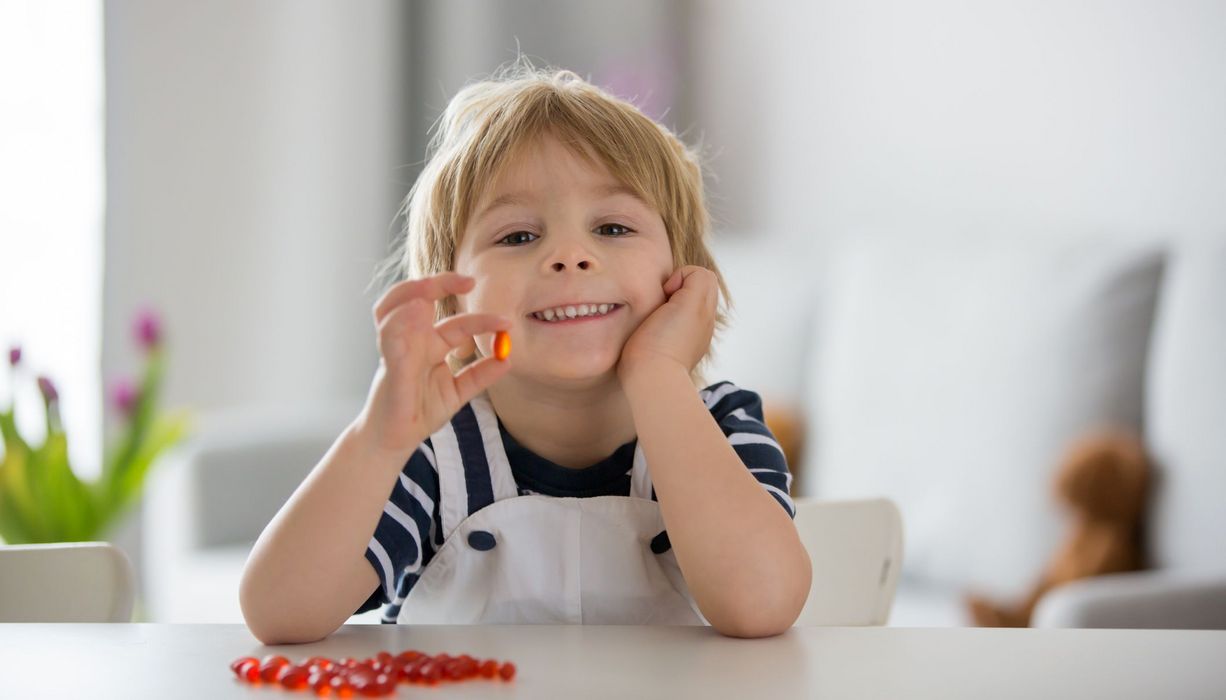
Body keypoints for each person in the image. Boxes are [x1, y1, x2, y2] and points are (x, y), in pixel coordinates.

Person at [239, 57, 812, 645]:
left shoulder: (722, 424)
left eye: (612, 228)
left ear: (685, 275)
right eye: (517, 236)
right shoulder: (432, 455)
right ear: (452, 300)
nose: (569, 254)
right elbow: (279, 615)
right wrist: (378, 440)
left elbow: (760, 604)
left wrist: (660, 375)